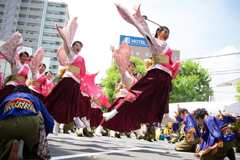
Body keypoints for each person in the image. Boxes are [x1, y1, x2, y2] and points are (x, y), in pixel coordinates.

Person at [102, 3, 180, 127]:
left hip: (165, 74)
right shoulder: (154, 41)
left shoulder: (167, 46)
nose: (167, 35)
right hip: (156, 72)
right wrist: (139, 16)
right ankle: (115, 111)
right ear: (158, 32)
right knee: (137, 92)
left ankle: (165, 115)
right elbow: (144, 29)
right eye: (165, 32)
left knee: (164, 94)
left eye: (168, 34)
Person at [44, 17, 100, 132]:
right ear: (73, 47)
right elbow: (65, 40)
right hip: (67, 79)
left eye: (80, 46)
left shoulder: (82, 58)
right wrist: (59, 30)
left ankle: (71, 119)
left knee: (74, 102)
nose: (78, 47)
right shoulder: (70, 54)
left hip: (76, 82)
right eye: (76, 45)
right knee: (59, 98)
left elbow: (83, 73)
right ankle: (50, 115)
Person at [95, 41, 143, 137]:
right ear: (127, 66)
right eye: (131, 66)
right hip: (122, 97)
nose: (133, 68)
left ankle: (137, 129)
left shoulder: (133, 78)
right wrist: (114, 53)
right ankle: (99, 128)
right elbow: (119, 63)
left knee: (133, 114)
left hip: (129, 97)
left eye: (134, 67)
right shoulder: (124, 73)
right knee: (112, 113)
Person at [0, 85, 54, 160]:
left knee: (3, 143)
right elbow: (49, 122)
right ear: (29, 93)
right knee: (39, 115)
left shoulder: (8, 98)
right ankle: (31, 151)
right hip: (30, 126)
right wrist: (41, 138)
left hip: (8, 125)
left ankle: (8, 146)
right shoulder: (34, 98)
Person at [0, 32, 29, 104]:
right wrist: (17, 45)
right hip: (13, 85)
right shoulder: (15, 62)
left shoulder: (26, 67)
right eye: (23, 56)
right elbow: (12, 53)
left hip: (22, 86)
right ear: (19, 57)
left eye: (26, 57)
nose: (25, 58)